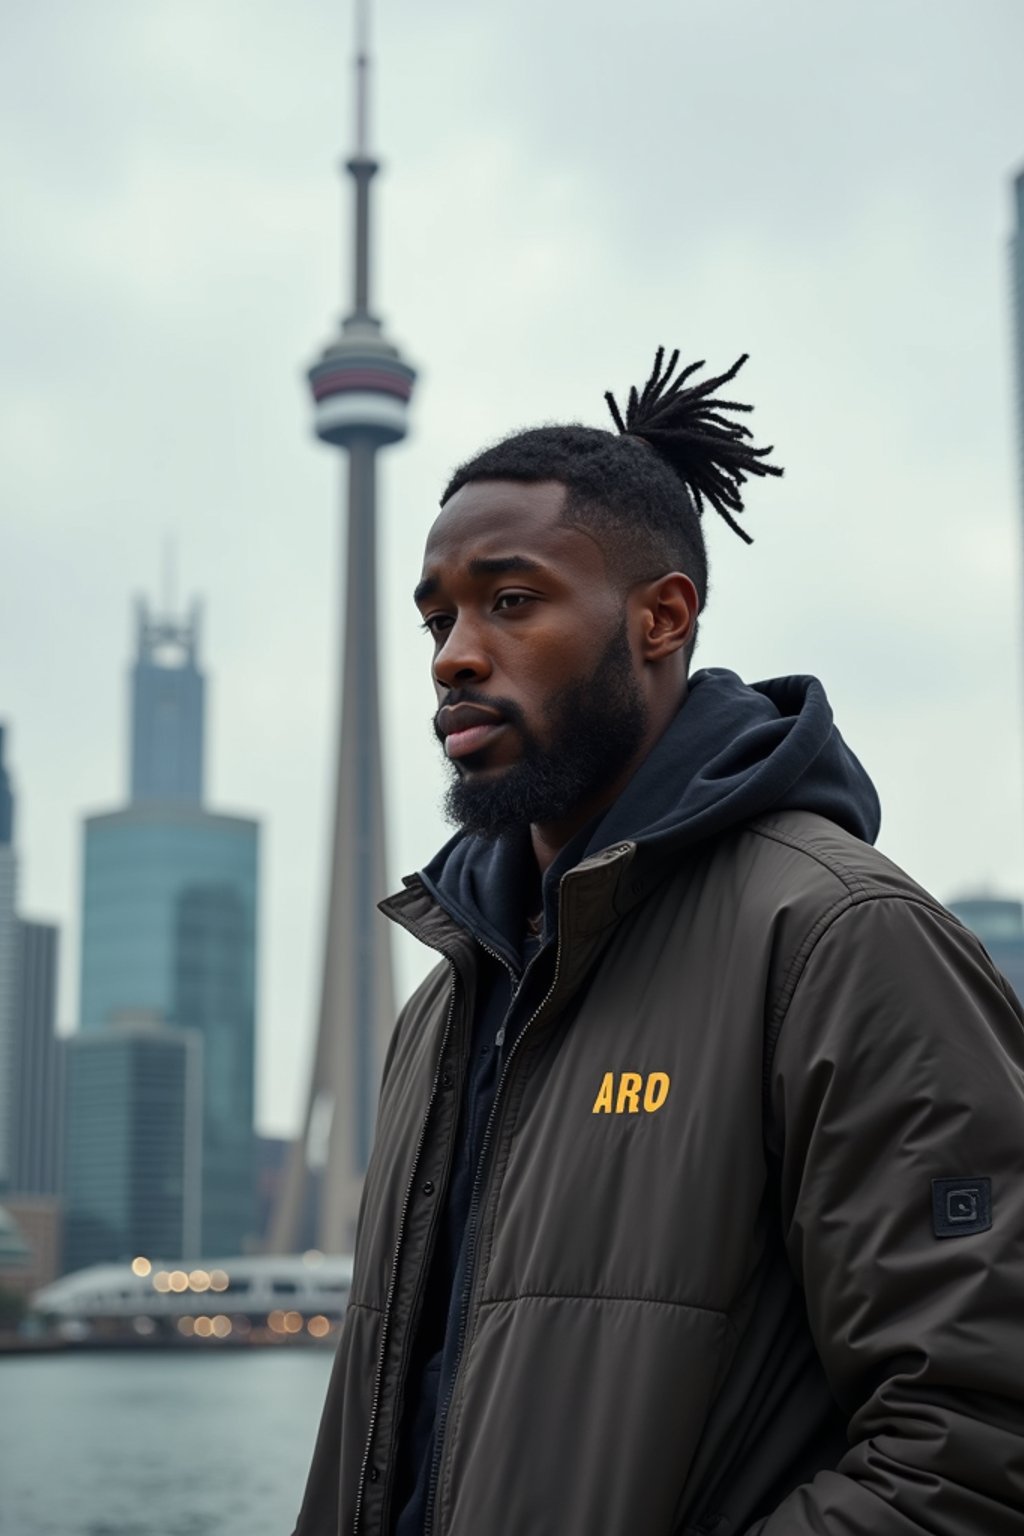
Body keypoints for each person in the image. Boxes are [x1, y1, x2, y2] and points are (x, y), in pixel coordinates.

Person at [293, 349, 1024, 1536]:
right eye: (438, 617)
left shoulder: (839, 941)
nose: (453, 655)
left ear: (661, 616)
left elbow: (976, 1444)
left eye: (510, 601)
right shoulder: (448, 1000)